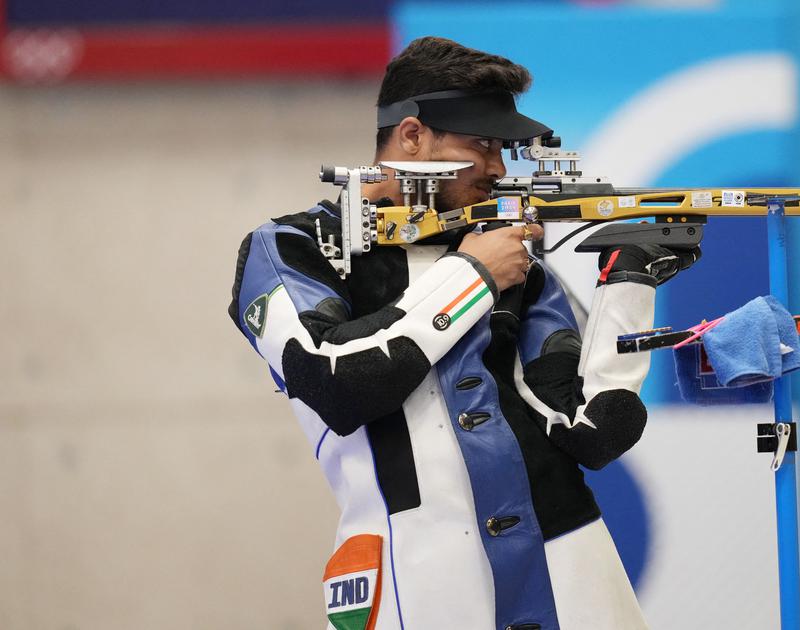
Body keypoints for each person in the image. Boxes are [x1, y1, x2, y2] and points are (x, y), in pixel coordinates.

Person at [228, 37, 698, 630]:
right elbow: (338, 383)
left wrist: (629, 281)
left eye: (503, 147)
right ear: (411, 136)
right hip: (413, 566)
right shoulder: (291, 247)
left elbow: (595, 432)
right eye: (481, 143)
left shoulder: (513, 259)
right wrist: (474, 276)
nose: (499, 168)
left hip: (567, 556)